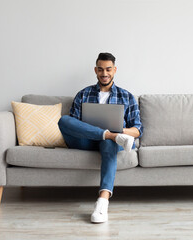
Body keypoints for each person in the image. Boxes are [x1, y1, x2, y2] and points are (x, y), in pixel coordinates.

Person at [58, 52, 143, 223]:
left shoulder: (126, 96)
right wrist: (111, 133)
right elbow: (72, 124)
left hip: (110, 143)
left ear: (115, 70)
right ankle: (110, 135)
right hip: (85, 140)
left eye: (108, 69)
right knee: (64, 120)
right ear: (95, 70)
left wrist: (121, 132)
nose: (104, 73)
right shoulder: (83, 94)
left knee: (108, 143)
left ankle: (102, 202)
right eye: (101, 69)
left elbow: (138, 130)